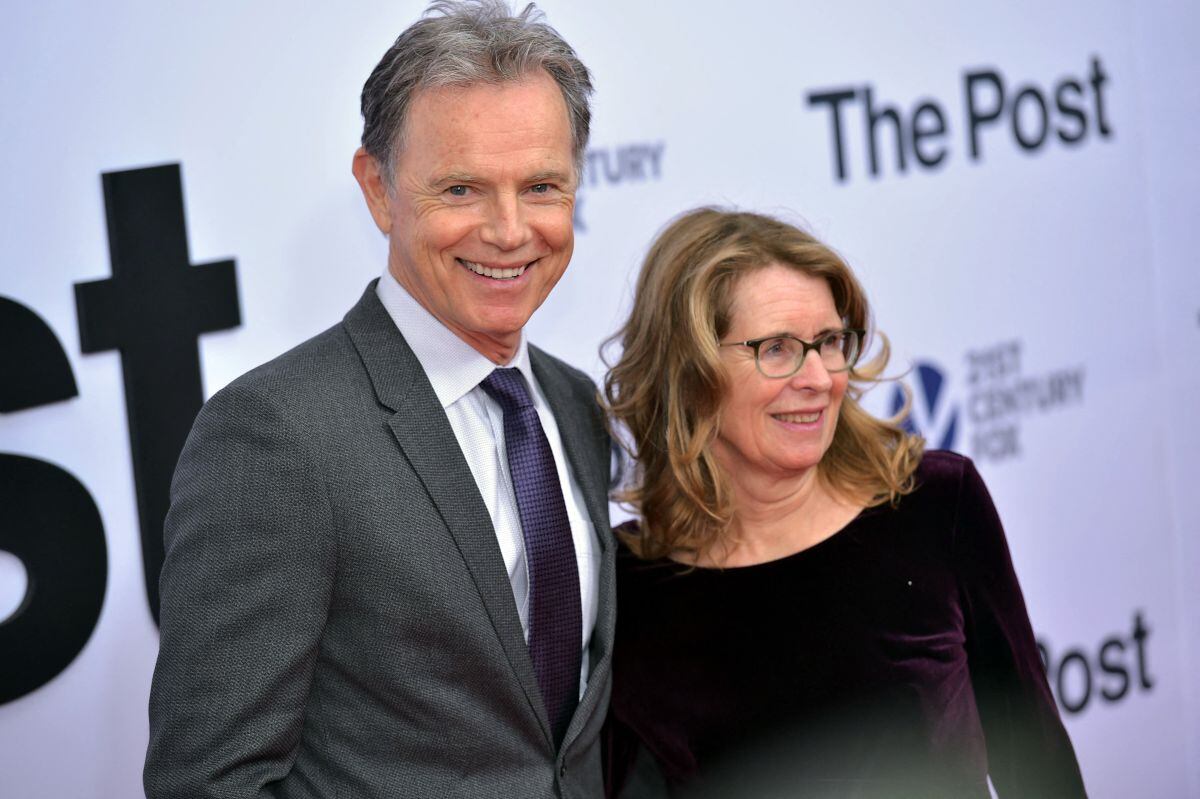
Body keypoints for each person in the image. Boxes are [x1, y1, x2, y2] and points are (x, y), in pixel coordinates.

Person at [144, 2, 615, 797]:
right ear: (378, 188)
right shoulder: (278, 436)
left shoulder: (573, 406)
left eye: (541, 186)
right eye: (461, 188)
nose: (508, 230)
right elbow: (209, 780)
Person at [602, 208, 1086, 798]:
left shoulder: (935, 506)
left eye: (829, 343)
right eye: (777, 349)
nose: (818, 378)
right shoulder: (627, 589)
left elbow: (1036, 763)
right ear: (691, 375)